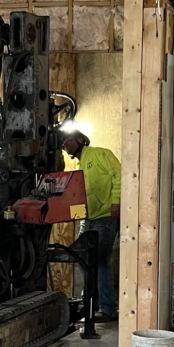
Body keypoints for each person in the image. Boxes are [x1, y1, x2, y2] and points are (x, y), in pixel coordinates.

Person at [62, 130, 121, 323]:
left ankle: (109, 309)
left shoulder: (100, 154)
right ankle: (90, 304)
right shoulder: (79, 167)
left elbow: (118, 175)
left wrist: (116, 201)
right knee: (82, 258)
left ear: (80, 140)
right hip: (88, 218)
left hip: (105, 217)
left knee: (101, 261)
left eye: (67, 140)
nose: (64, 144)